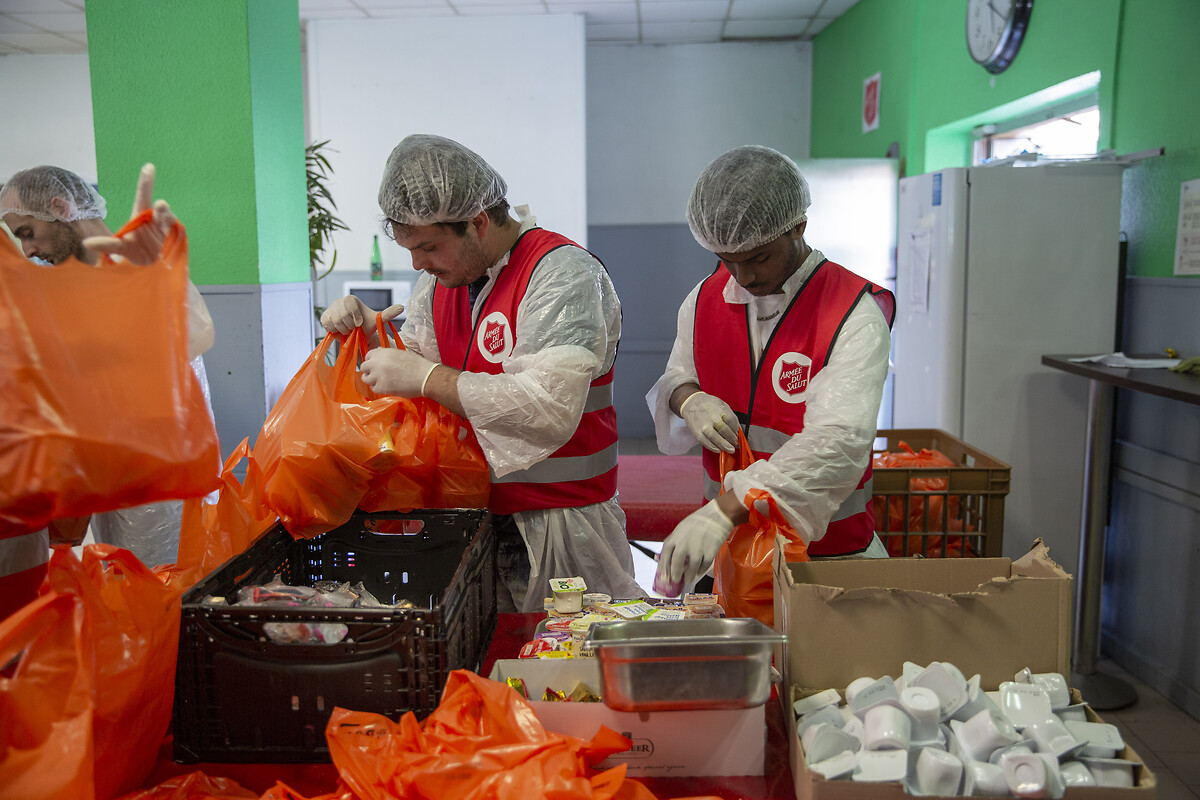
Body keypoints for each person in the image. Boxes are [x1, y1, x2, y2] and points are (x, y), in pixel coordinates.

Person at [321, 134, 642, 612]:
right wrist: (370, 335)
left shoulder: (562, 275)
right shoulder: (440, 282)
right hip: (467, 518)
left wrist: (426, 377)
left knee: (563, 671)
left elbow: (547, 407)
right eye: (410, 249)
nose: (417, 264)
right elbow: (414, 375)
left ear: (478, 221)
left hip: (560, 523)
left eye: (428, 247)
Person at [646, 145, 896, 593]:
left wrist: (726, 508)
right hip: (730, 556)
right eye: (727, 260)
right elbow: (676, 376)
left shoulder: (851, 314)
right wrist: (690, 399)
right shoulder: (704, 300)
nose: (742, 277)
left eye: (758, 258)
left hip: (825, 562)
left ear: (798, 226)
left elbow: (837, 444)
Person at [0, 164, 215, 586]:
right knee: (126, 589)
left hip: (163, 485)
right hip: (119, 481)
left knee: (170, 591)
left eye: (27, 232)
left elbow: (193, 336)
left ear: (60, 208)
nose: (27, 250)